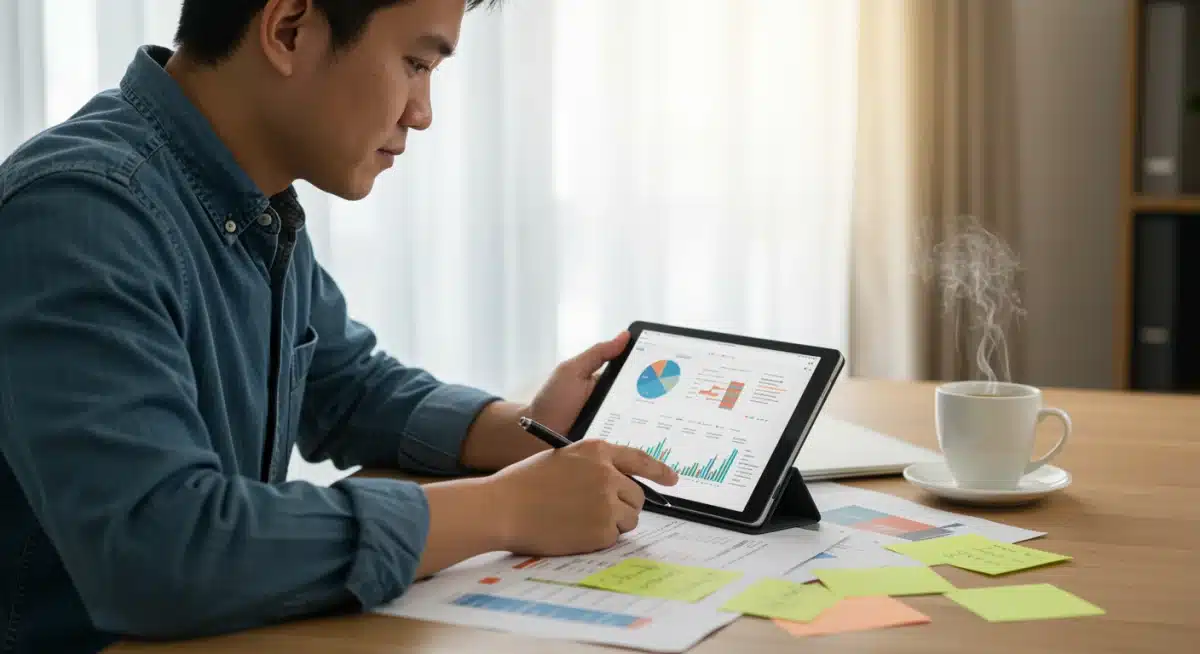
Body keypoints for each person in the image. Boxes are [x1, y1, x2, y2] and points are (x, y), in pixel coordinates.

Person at [0, 0, 679, 651]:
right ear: (290, 28)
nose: (423, 112)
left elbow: (348, 386)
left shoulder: (242, 197)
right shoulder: (81, 214)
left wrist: (522, 427)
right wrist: (504, 510)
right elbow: (160, 549)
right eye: (416, 63)